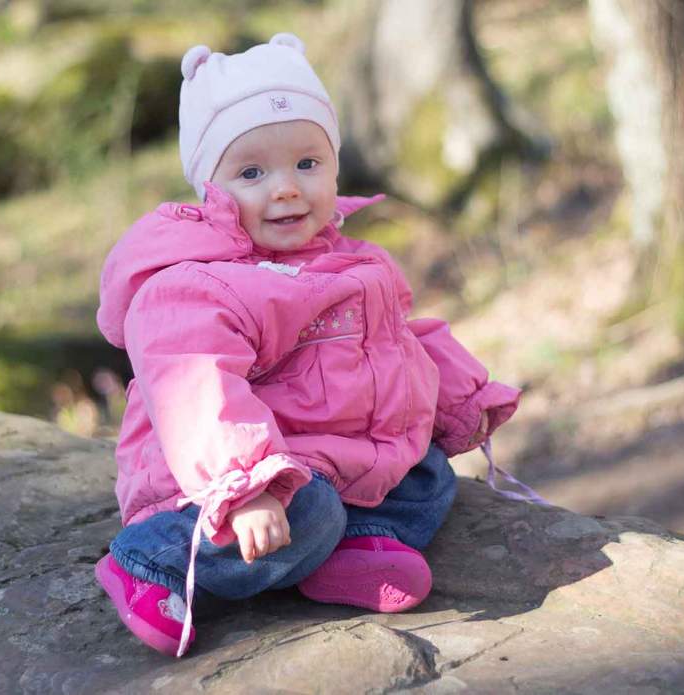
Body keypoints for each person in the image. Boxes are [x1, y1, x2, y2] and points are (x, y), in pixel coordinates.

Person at [93, 33, 521, 658]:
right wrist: (246, 488)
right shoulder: (197, 284)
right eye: (252, 173)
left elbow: (399, 339)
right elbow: (194, 388)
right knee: (311, 510)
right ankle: (152, 562)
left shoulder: (353, 260)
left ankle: (357, 547)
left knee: (425, 469)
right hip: (228, 475)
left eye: (307, 163)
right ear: (210, 186)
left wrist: (462, 398)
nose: (287, 188)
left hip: (333, 454)